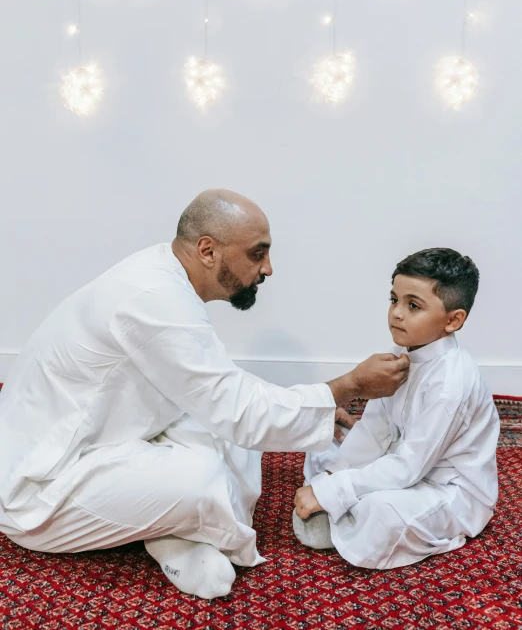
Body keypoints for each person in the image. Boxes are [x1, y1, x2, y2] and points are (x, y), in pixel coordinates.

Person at [0, 190, 410, 599]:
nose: (268, 268)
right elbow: (239, 409)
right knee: (205, 474)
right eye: (257, 253)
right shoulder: (154, 299)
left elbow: (223, 391)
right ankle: (181, 530)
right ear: (208, 250)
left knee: (232, 429)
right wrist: (350, 387)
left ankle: (180, 528)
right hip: (42, 485)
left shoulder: (165, 278)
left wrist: (322, 402)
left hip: (111, 435)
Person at [293, 248, 499, 570]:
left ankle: (353, 517)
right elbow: (376, 430)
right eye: (394, 300)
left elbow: (409, 467)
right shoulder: (400, 354)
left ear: (453, 320)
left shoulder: (450, 384)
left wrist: (331, 490)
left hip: (448, 489)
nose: (396, 313)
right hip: (405, 459)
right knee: (326, 442)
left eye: (413, 305)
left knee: (380, 511)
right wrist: (333, 476)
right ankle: (341, 508)